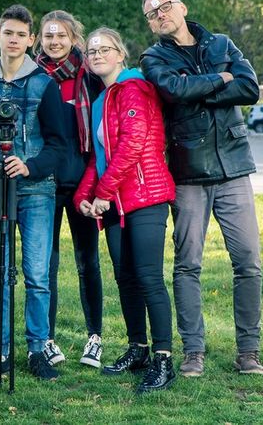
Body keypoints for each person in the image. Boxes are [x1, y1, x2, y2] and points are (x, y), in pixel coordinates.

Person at [139, 0, 263, 377]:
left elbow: (249, 88)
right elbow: (174, 91)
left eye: (165, 6)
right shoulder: (154, 57)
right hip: (189, 172)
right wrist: (220, 79)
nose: (160, 14)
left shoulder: (221, 43)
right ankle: (193, 351)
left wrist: (203, 86)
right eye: (152, 13)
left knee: (248, 263)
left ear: (182, 7)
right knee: (187, 265)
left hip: (233, 168)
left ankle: (249, 352)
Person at [0, 4, 67, 381]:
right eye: (7, 33)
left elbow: (59, 144)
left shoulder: (44, 84)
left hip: (36, 190)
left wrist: (30, 165)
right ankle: (0, 349)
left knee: (37, 274)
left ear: (31, 40)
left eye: (21, 35)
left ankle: (37, 348)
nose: (13, 40)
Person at [73, 28, 176, 393]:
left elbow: (132, 144)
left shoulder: (134, 88)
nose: (97, 54)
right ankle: (138, 348)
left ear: (121, 54)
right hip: (115, 202)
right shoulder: (103, 100)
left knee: (148, 277)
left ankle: (164, 359)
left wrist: (103, 192)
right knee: (126, 278)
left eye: (105, 48)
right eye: (91, 50)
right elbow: (99, 157)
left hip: (146, 195)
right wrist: (84, 196)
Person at [33, 10, 114, 369]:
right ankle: (46, 339)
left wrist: (96, 186)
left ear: (73, 39)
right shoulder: (31, 76)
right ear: (40, 39)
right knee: (44, 266)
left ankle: (94, 336)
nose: (54, 42)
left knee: (87, 262)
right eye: (48, 36)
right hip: (43, 185)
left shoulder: (90, 76)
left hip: (83, 182)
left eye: (61, 36)